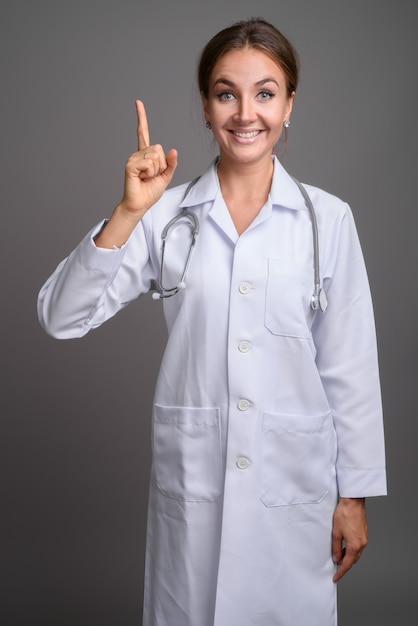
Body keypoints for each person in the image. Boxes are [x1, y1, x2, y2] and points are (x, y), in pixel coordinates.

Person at [38, 17, 387, 626]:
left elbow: (349, 367)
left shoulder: (327, 221)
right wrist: (126, 211)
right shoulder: (164, 214)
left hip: (293, 489)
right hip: (196, 488)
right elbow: (61, 317)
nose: (245, 113)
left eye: (265, 92)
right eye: (227, 93)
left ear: (289, 104)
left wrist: (352, 495)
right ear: (205, 105)